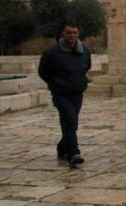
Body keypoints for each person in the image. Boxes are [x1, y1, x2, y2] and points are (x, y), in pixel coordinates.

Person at [38, 24, 91, 167]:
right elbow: (43, 71)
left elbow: (87, 67)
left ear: (78, 34)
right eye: (68, 32)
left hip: (77, 92)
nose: (71, 35)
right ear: (63, 34)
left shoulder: (85, 51)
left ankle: (62, 148)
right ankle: (73, 153)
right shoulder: (52, 52)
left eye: (74, 32)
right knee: (71, 120)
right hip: (61, 93)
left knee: (70, 122)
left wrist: (81, 82)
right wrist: (54, 84)